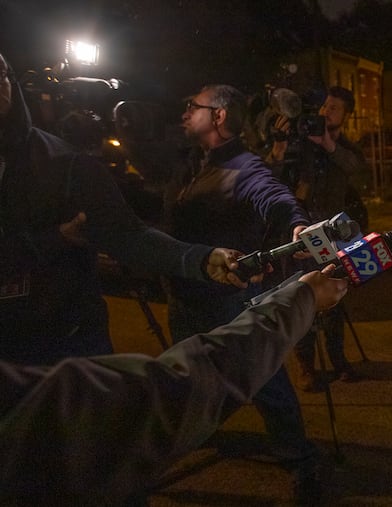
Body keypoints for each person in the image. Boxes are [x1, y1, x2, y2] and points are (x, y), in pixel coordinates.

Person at [0, 266, 348, 506]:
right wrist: (298, 302)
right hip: (195, 304)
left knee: (268, 390)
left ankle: (296, 454)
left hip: (221, 300)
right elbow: (161, 396)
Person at [0, 51, 247, 366]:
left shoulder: (66, 163)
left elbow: (128, 236)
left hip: (64, 351)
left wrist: (200, 259)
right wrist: (53, 239)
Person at [161, 84, 323, 504]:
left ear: (217, 115)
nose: (184, 113)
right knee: (194, 373)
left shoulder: (243, 167)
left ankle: (298, 455)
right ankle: (206, 430)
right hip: (185, 300)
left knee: (263, 376)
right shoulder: (193, 164)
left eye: (191, 106)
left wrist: (297, 224)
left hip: (225, 300)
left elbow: (276, 198)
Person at [267, 85, 371, 391]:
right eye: (325, 106)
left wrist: (327, 143)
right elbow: (271, 176)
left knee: (335, 296)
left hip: (333, 234)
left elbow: (358, 171)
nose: (327, 112)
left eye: (335, 108)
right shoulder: (300, 146)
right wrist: (278, 150)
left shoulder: (345, 149)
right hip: (300, 233)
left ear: (346, 116)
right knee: (303, 298)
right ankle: (306, 366)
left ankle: (338, 360)